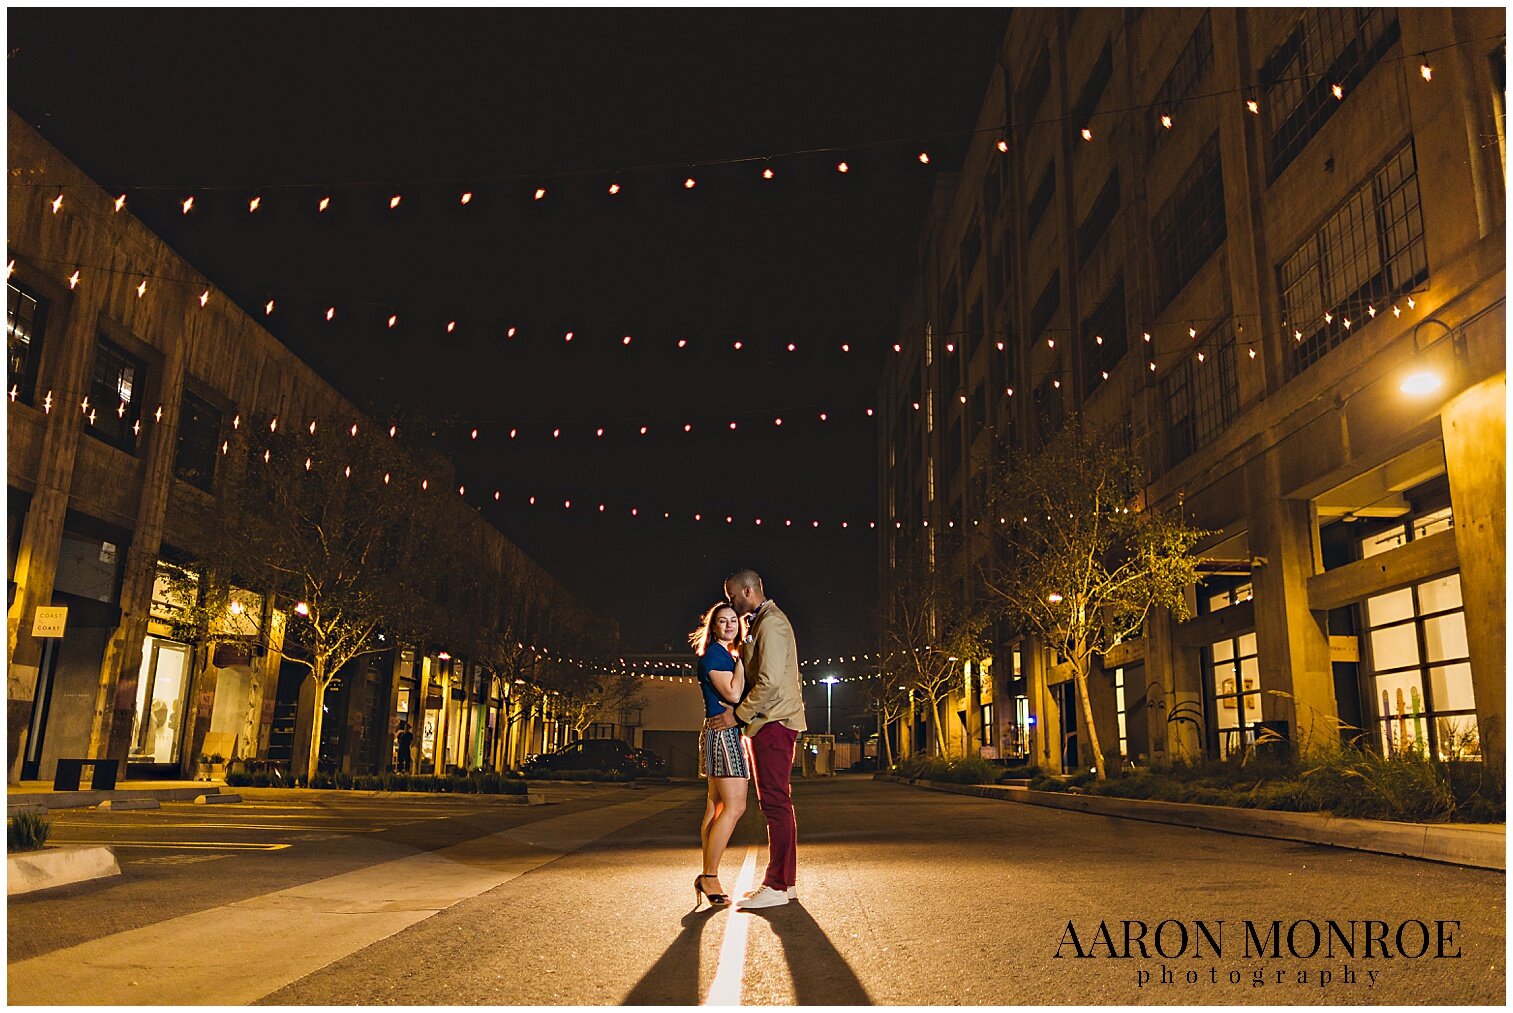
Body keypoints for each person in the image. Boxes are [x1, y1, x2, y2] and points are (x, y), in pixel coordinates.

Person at [708, 568, 805, 909]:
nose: (729, 603)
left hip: (773, 721)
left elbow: (769, 682)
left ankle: (777, 885)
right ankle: (785, 882)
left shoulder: (772, 623)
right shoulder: (760, 624)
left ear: (747, 591)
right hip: (770, 721)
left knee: (775, 803)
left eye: (732, 596)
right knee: (778, 802)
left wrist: (738, 714)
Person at [688, 601, 749, 907]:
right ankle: (710, 875)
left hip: (718, 733)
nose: (729, 625)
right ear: (713, 626)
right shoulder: (716, 654)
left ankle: (707, 874)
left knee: (715, 807)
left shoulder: (724, 654)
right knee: (735, 807)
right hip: (723, 734)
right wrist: (743, 660)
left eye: (733, 621)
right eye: (723, 621)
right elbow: (734, 694)